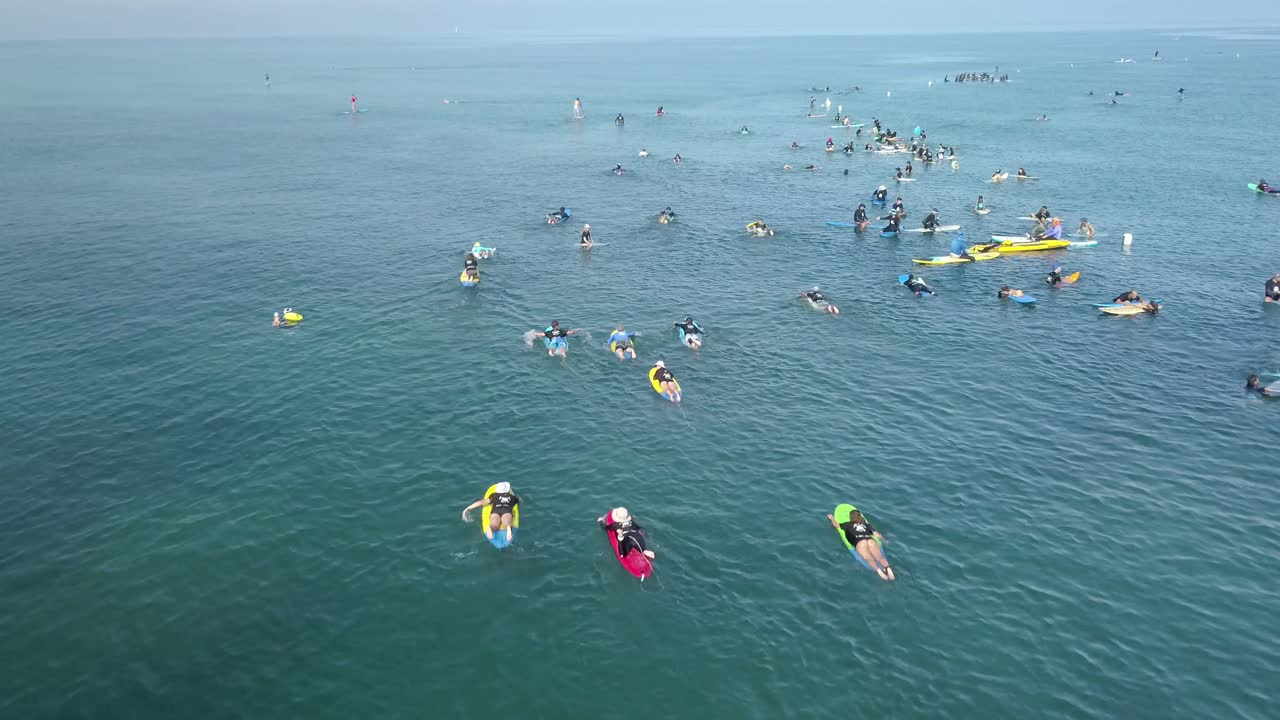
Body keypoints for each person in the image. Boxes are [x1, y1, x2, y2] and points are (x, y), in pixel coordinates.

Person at [827, 510, 893, 581]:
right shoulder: (865, 525)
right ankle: (889, 570)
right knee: (880, 558)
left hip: (859, 541)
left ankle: (879, 572)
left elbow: (836, 525)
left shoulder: (847, 524)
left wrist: (832, 518)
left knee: (868, 559)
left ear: (851, 517)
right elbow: (877, 534)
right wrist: (885, 541)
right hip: (870, 540)